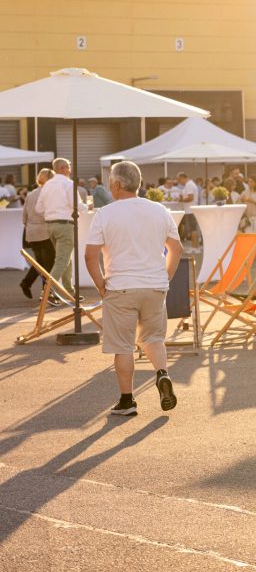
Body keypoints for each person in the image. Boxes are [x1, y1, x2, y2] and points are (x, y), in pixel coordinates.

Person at [84, 161, 183, 417]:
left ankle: (127, 401)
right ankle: (162, 373)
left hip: (121, 287)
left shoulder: (105, 214)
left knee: (123, 346)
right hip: (154, 285)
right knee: (153, 338)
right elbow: (176, 249)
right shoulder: (160, 210)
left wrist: (101, 285)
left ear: (117, 184)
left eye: (110, 182)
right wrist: (165, 277)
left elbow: (90, 256)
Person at [34, 157, 81, 294]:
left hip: (51, 226)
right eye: (69, 167)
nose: (70, 170)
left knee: (65, 258)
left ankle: (69, 291)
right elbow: (76, 204)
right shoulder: (68, 183)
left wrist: (52, 212)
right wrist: (87, 207)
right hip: (65, 225)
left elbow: (38, 209)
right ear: (63, 168)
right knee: (62, 260)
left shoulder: (47, 185)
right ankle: (48, 291)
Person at [19, 168, 55, 301]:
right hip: (44, 231)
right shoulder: (49, 193)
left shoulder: (31, 193)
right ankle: (46, 294)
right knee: (48, 264)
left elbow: (24, 216)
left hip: (31, 232)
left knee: (40, 262)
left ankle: (26, 283)